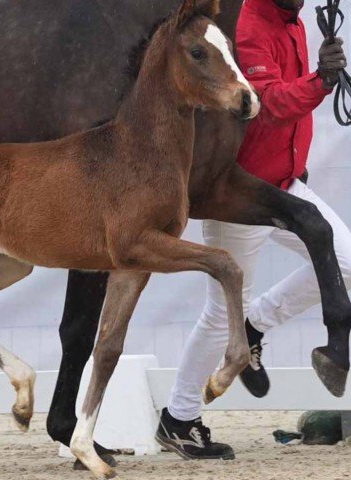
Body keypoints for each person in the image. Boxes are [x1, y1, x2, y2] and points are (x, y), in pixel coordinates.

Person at [154, 0, 349, 460]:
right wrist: (320, 82)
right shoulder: (250, 24)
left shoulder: (293, 19)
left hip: (286, 186)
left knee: (346, 262)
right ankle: (178, 418)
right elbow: (264, 105)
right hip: (240, 191)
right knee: (220, 314)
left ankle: (256, 324)